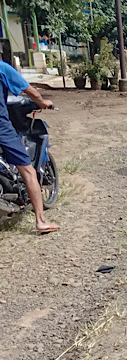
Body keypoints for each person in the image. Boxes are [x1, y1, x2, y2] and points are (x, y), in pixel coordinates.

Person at [0, 62, 58, 233]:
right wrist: (41, 102)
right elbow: (28, 89)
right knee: (28, 171)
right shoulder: (2, 68)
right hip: (1, 128)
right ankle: (41, 221)